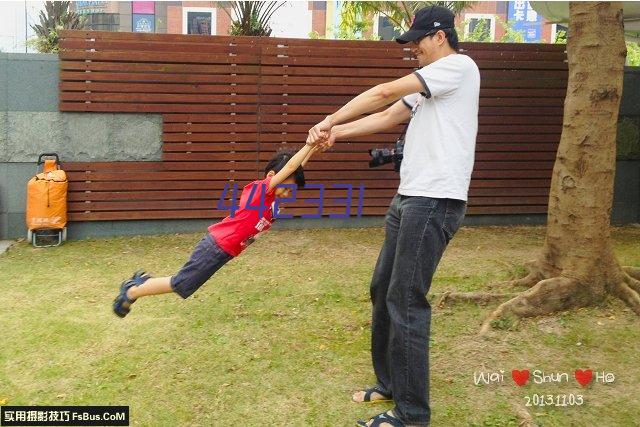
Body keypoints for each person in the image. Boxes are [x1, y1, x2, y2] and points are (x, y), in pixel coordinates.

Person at [307, 6, 480, 427]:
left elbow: (383, 93)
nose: (413, 50)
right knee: (382, 287)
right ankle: (389, 383)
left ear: (440, 36)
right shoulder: (428, 87)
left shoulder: (458, 67)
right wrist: (334, 135)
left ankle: (411, 414)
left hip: (434, 200)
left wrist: (329, 118)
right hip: (409, 197)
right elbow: (388, 115)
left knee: (406, 301)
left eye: (418, 41)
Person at [112, 144, 319, 317]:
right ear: (273, 176)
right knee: (182, 283)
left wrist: (316, 147)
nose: (287, 194)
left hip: (224, 251)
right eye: (285, 188)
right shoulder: (261, 191)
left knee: (184, 284)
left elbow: (296, 167)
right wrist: (309, 144)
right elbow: (292, 165)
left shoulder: (272, 200)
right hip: (216, 247)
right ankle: (132, 290)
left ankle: (142, 283)